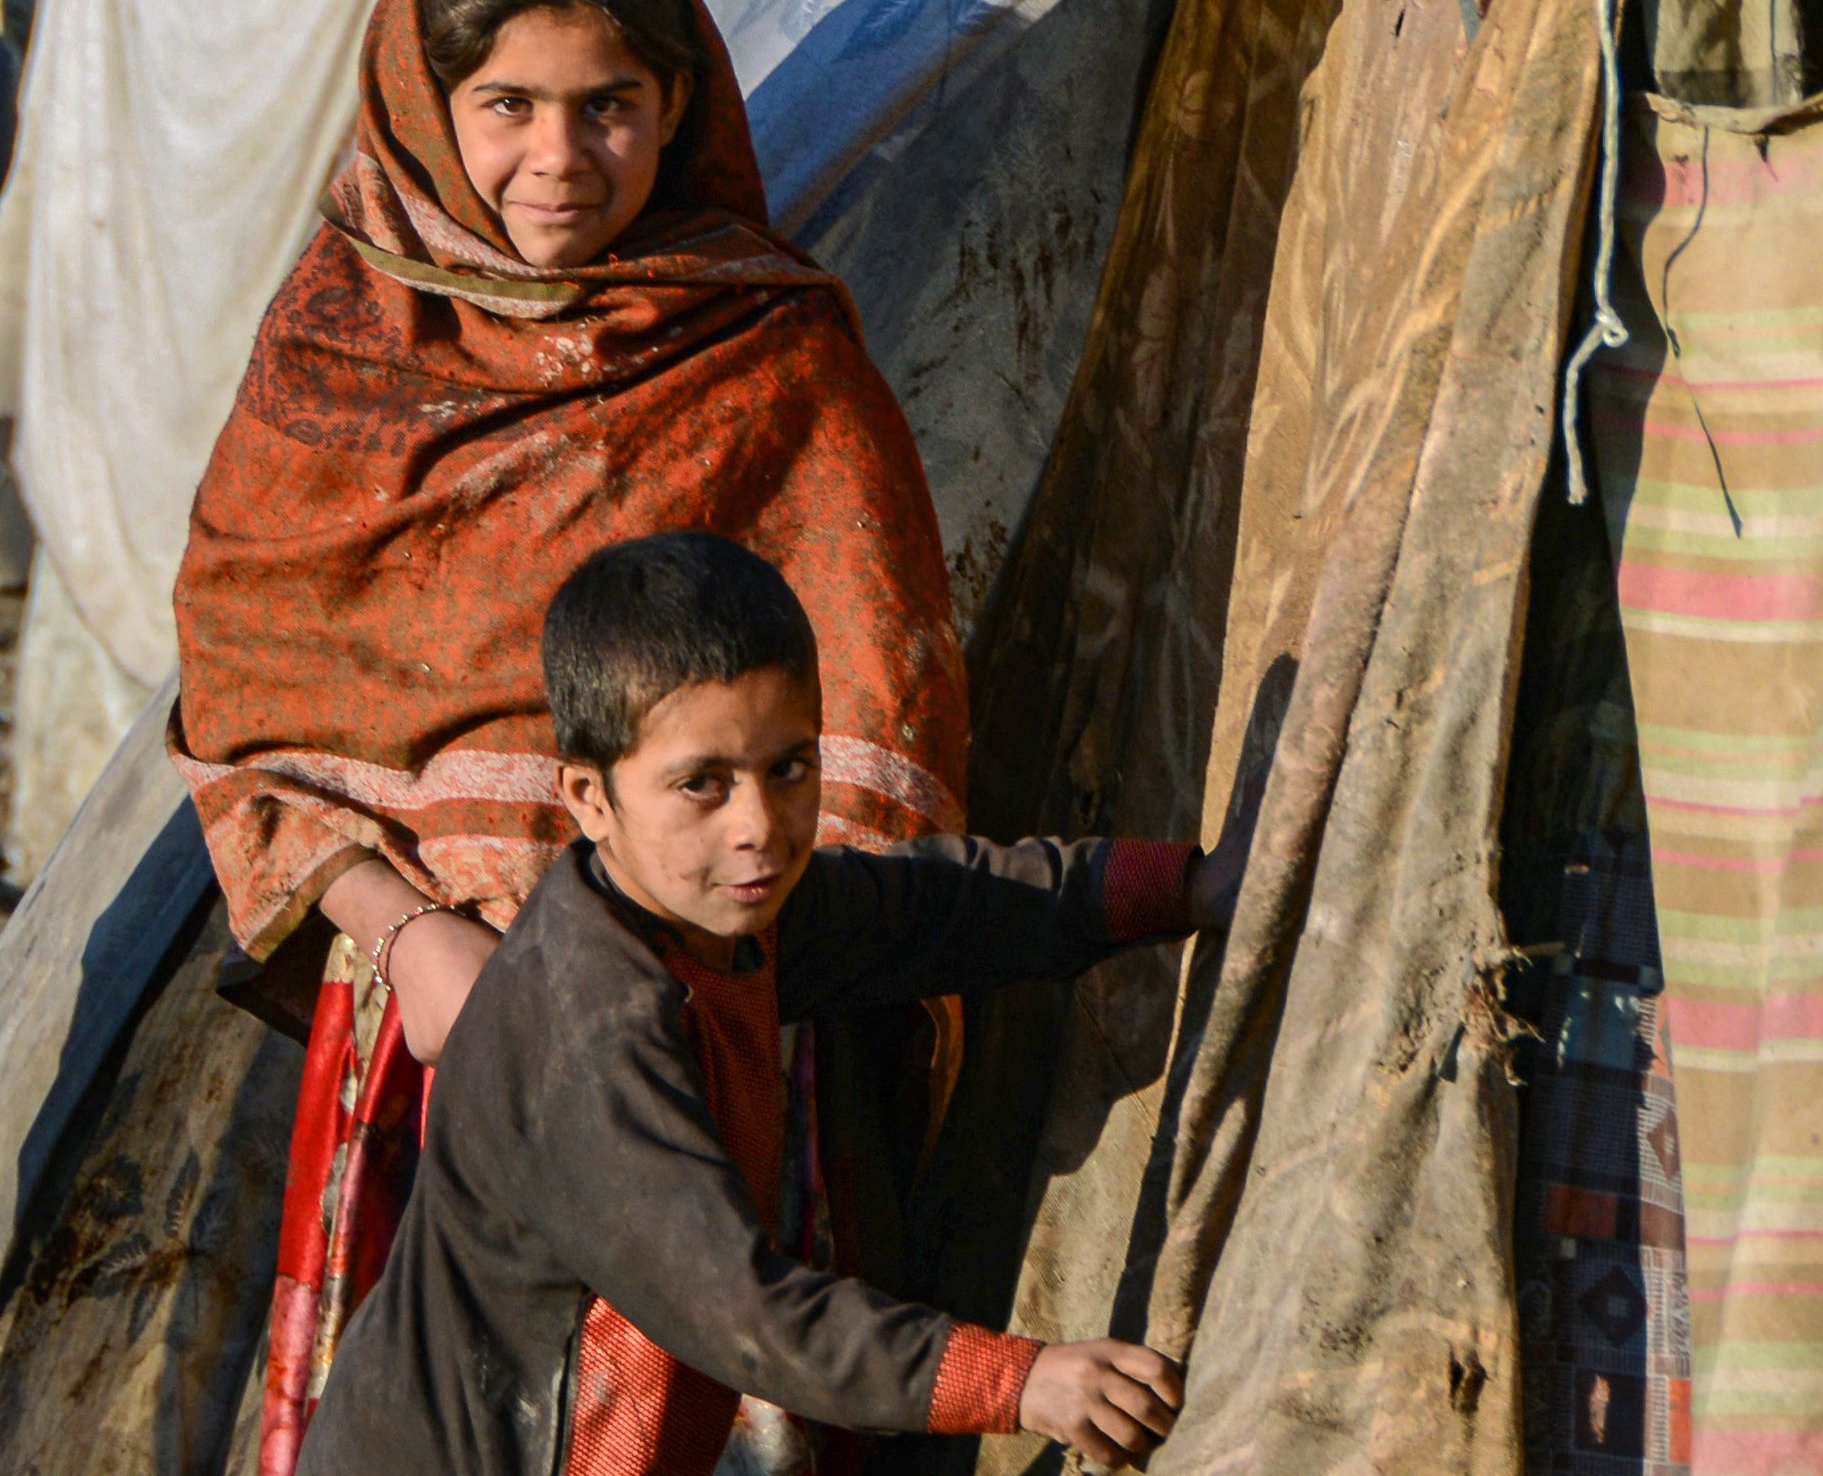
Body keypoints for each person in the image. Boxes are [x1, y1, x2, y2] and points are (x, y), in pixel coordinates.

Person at [166, 0, 980, 1465]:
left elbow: (874, 700)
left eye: (608, 105)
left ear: (677, 103)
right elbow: (248, 712)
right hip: (434, 1033)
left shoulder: (769, 355)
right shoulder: (338, 354)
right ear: (424, 104)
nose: (558, 159)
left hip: (709, 1040)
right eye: (508, 106)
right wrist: (407, 938)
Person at [297, 533, 1232, 1473]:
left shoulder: (720, 916)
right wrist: (1022, 1382)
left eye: (787, 768)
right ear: (588, 797)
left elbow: (936, 910)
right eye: (701, 784)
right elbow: (742, 1312)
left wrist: (1179, 888)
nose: (760, 828)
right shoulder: (584, 1034)